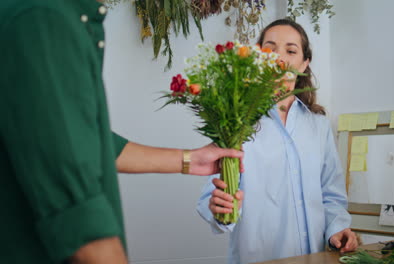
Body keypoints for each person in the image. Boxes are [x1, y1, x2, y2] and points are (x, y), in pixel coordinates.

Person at [0, 0, 243, 263]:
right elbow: (81, 223)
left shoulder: (59, 17)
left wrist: (188, 160)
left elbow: (90, 143)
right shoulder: (44, 18)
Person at [197, 19, 358, 264]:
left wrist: (337, 228)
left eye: (291, 50)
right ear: (257, 57)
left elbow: (331, 194)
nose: (279, 58)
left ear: (304, 63)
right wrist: (220, 210)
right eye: (269, 49)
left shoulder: (318, 125)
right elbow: (215, 195)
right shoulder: (235, 122)